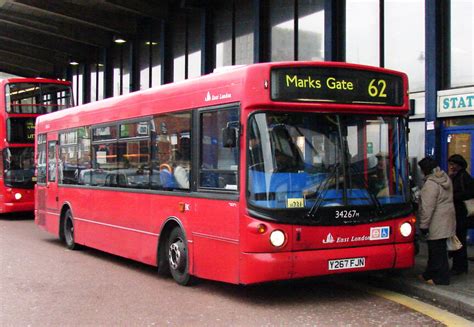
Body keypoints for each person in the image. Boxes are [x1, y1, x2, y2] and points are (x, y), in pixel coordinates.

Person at [417, 157, 456, 285]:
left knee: (437, 252)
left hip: (436, 222)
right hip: (447, 220)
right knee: (439, 250)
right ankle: (429, 273)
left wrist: (423, 226)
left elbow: (427, 208)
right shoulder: (445, 178)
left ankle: (442, 278)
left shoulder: (431, 184)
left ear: (424, 170)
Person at [447, 154, 474, 274]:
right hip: (457, 213)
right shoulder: (456, 176)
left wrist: (453, 197)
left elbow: (468, 193)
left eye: (453, 164)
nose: (451, 166)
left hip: (461, 213)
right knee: (458, 239)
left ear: (458, 165)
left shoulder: (463, 177)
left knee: (459, 240)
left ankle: (459, 267)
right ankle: (460, 266)